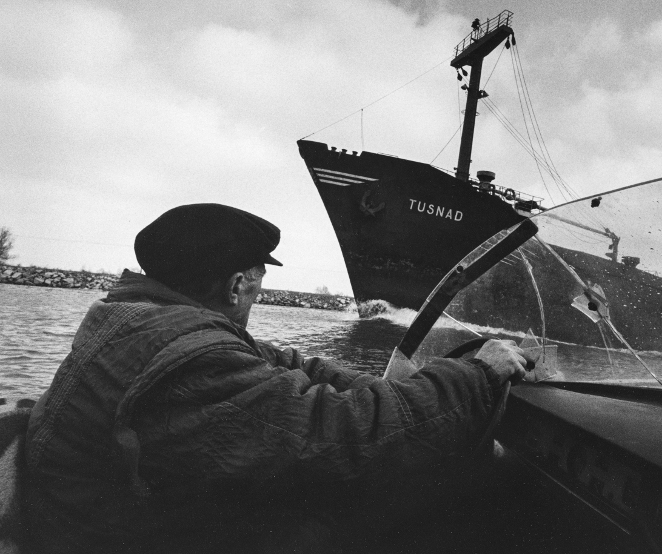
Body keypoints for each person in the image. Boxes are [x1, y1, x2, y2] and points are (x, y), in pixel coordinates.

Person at [24, 203, 528, 553]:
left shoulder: (141, 318)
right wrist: (476, 374)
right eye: (259, 280)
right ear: (238, 284)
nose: (259, 292)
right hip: (127, 540)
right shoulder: (197, 361)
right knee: (383, 505)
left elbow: (290, 364)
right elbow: (343, 431)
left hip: (100, 523)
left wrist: (392, 390)